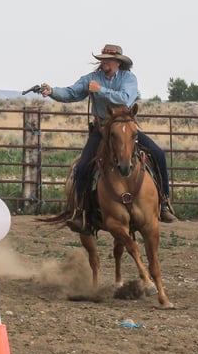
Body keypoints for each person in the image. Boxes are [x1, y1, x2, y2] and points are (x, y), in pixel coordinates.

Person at [39, 44, 177, 232]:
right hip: (101, 129)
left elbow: (125, 99)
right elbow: (72, 93)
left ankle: (163, 203)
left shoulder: (128, 78)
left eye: (108, 59)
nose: (104, 62)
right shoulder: (91, 79)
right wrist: (52, 91)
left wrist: (100, 90)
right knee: (82, 166)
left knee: (158, 154)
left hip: (125, 128)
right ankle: (80, 212)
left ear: (118, 62)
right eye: (102, 59)